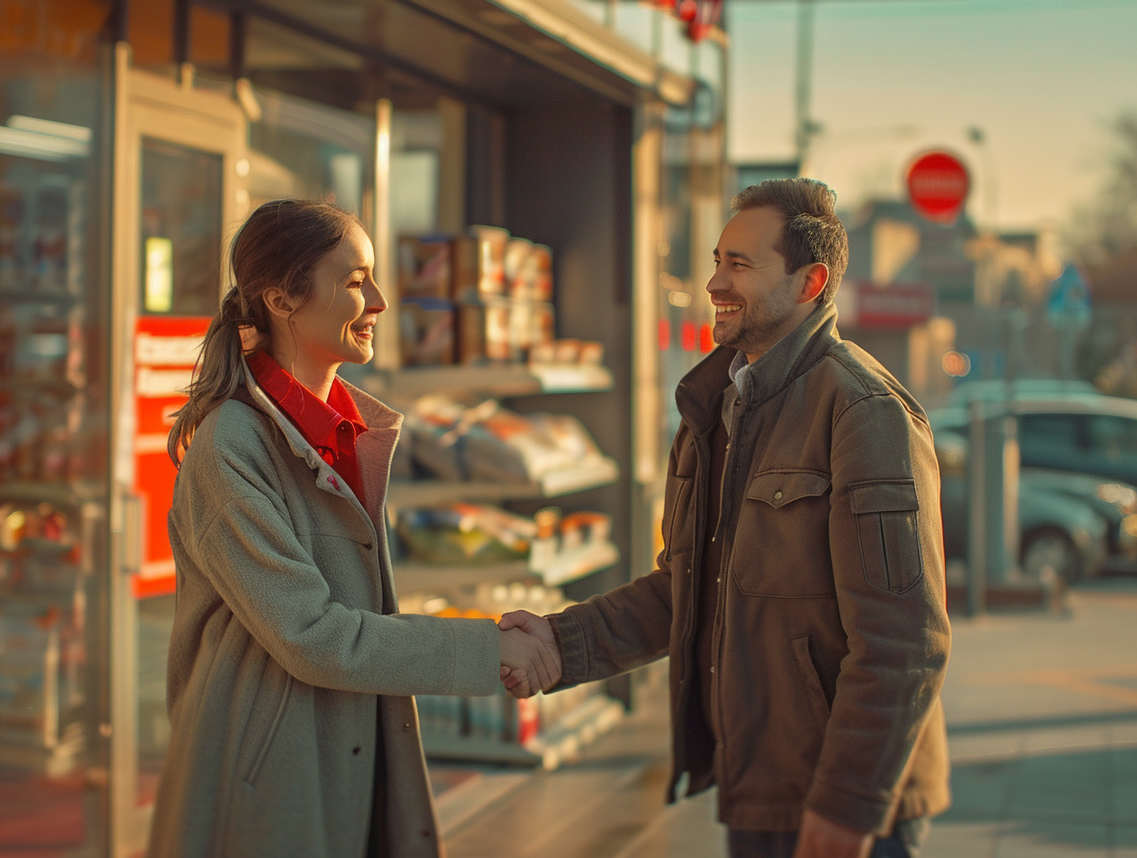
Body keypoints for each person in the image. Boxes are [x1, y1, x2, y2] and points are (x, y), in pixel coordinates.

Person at [501, 178, 951, 858]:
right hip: (761, 787)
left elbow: (903, 640)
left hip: (846, 807)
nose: (714, 282)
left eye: (739, 264)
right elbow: (687, 586)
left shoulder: (863, 411)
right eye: (717, 260)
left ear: (810, 282)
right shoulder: (719, 406)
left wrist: (849, 805)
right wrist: (562, 643)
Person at [146, 198, 558, 858]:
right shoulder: (232, 447)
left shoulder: (351, 434)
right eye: (354, 280)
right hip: (268, 785)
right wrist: (487, 650)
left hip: (352, 752)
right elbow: (311, 633)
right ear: (282, 297)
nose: (380, 302)